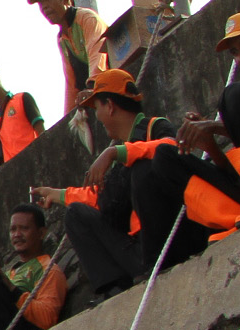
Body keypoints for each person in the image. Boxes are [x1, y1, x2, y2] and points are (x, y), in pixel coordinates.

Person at [137, 9, 240, 244]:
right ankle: (233, 218)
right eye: (235, 52)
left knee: (234, 94)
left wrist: (215, 126)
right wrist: (209, 145)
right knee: (164, 157)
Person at [32, 68, 182, 300]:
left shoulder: (155, 128)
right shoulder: (118, 155)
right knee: (76, 214)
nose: (97, 117)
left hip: (171, 239)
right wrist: (57, 194)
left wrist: (116, 152)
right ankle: (115, 288)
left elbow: (172, 147)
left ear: (110, 106)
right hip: (137, 250)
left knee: (143, 167)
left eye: (97, 108)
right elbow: (99, 198)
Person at [30, 0, 107, 117]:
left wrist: (92, 87)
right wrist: (67, 117)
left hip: (110, 88)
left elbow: (99, 54)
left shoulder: (87, 19)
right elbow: (71, 83)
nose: (44, 6)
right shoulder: (61, 39)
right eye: (40, 3)